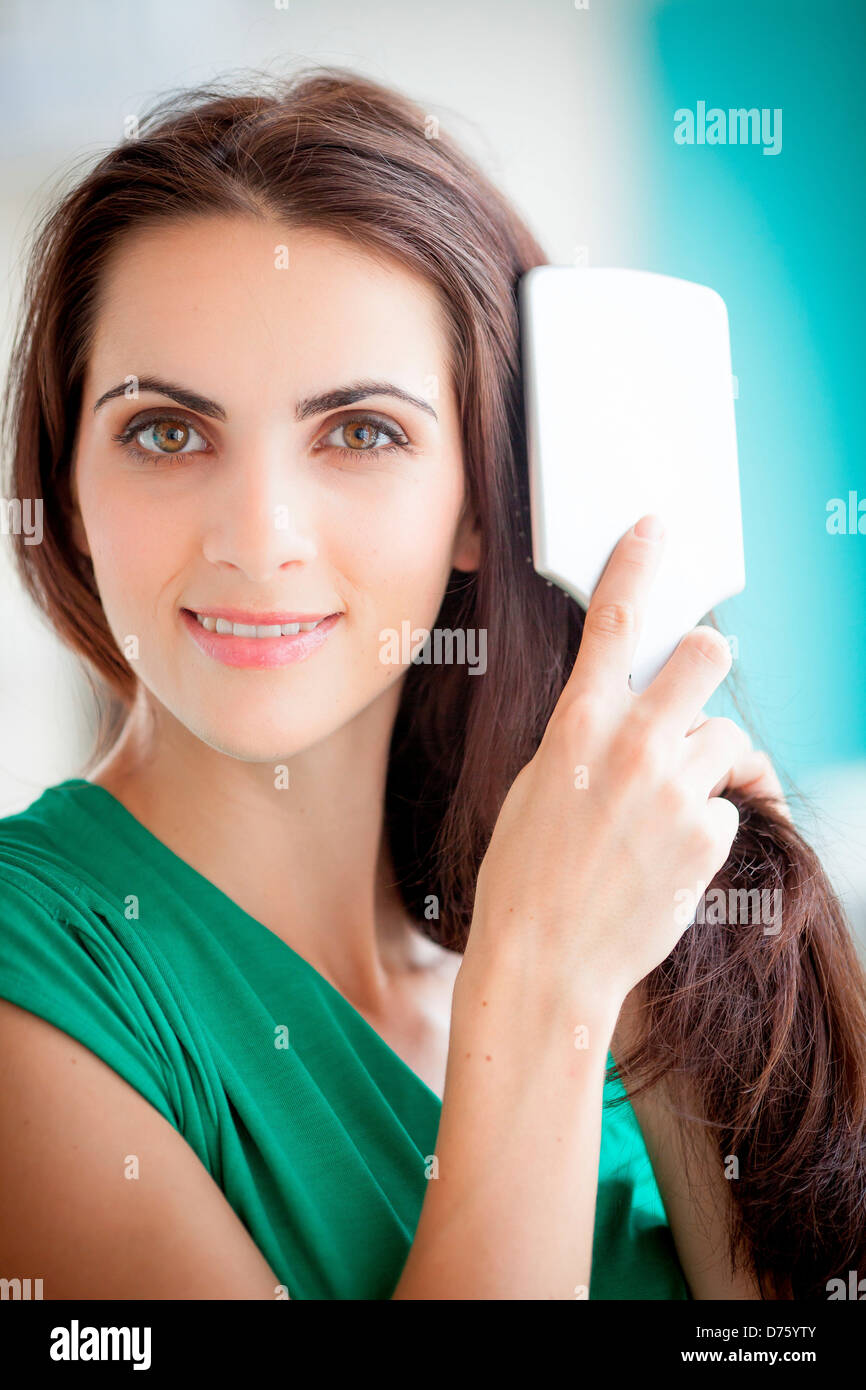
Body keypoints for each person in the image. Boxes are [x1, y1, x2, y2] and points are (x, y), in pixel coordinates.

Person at [1, 67, 864, 1301]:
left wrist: (679, 974)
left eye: (359, 432)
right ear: (67, 484)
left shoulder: (608, 885)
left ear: (482, 503)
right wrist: (545, 985)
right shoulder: (38, 986)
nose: (259, 536)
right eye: (166, 430)